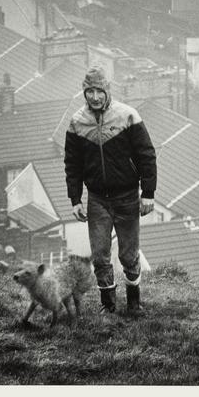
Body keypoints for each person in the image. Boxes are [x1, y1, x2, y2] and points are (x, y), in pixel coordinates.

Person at [64, 67, 156, 314]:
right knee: (101, 256)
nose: (94, 97)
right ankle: (108, 306)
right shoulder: (76, 122)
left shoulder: (128, 116)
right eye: (89, 91)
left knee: (128, 254)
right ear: (84, 92)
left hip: (127, 197)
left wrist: (148, 193)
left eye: (99, 91)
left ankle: (134, 303)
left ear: (108, 91)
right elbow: (72, 165)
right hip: (97, 200)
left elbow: (147, 155)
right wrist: (76, 199)